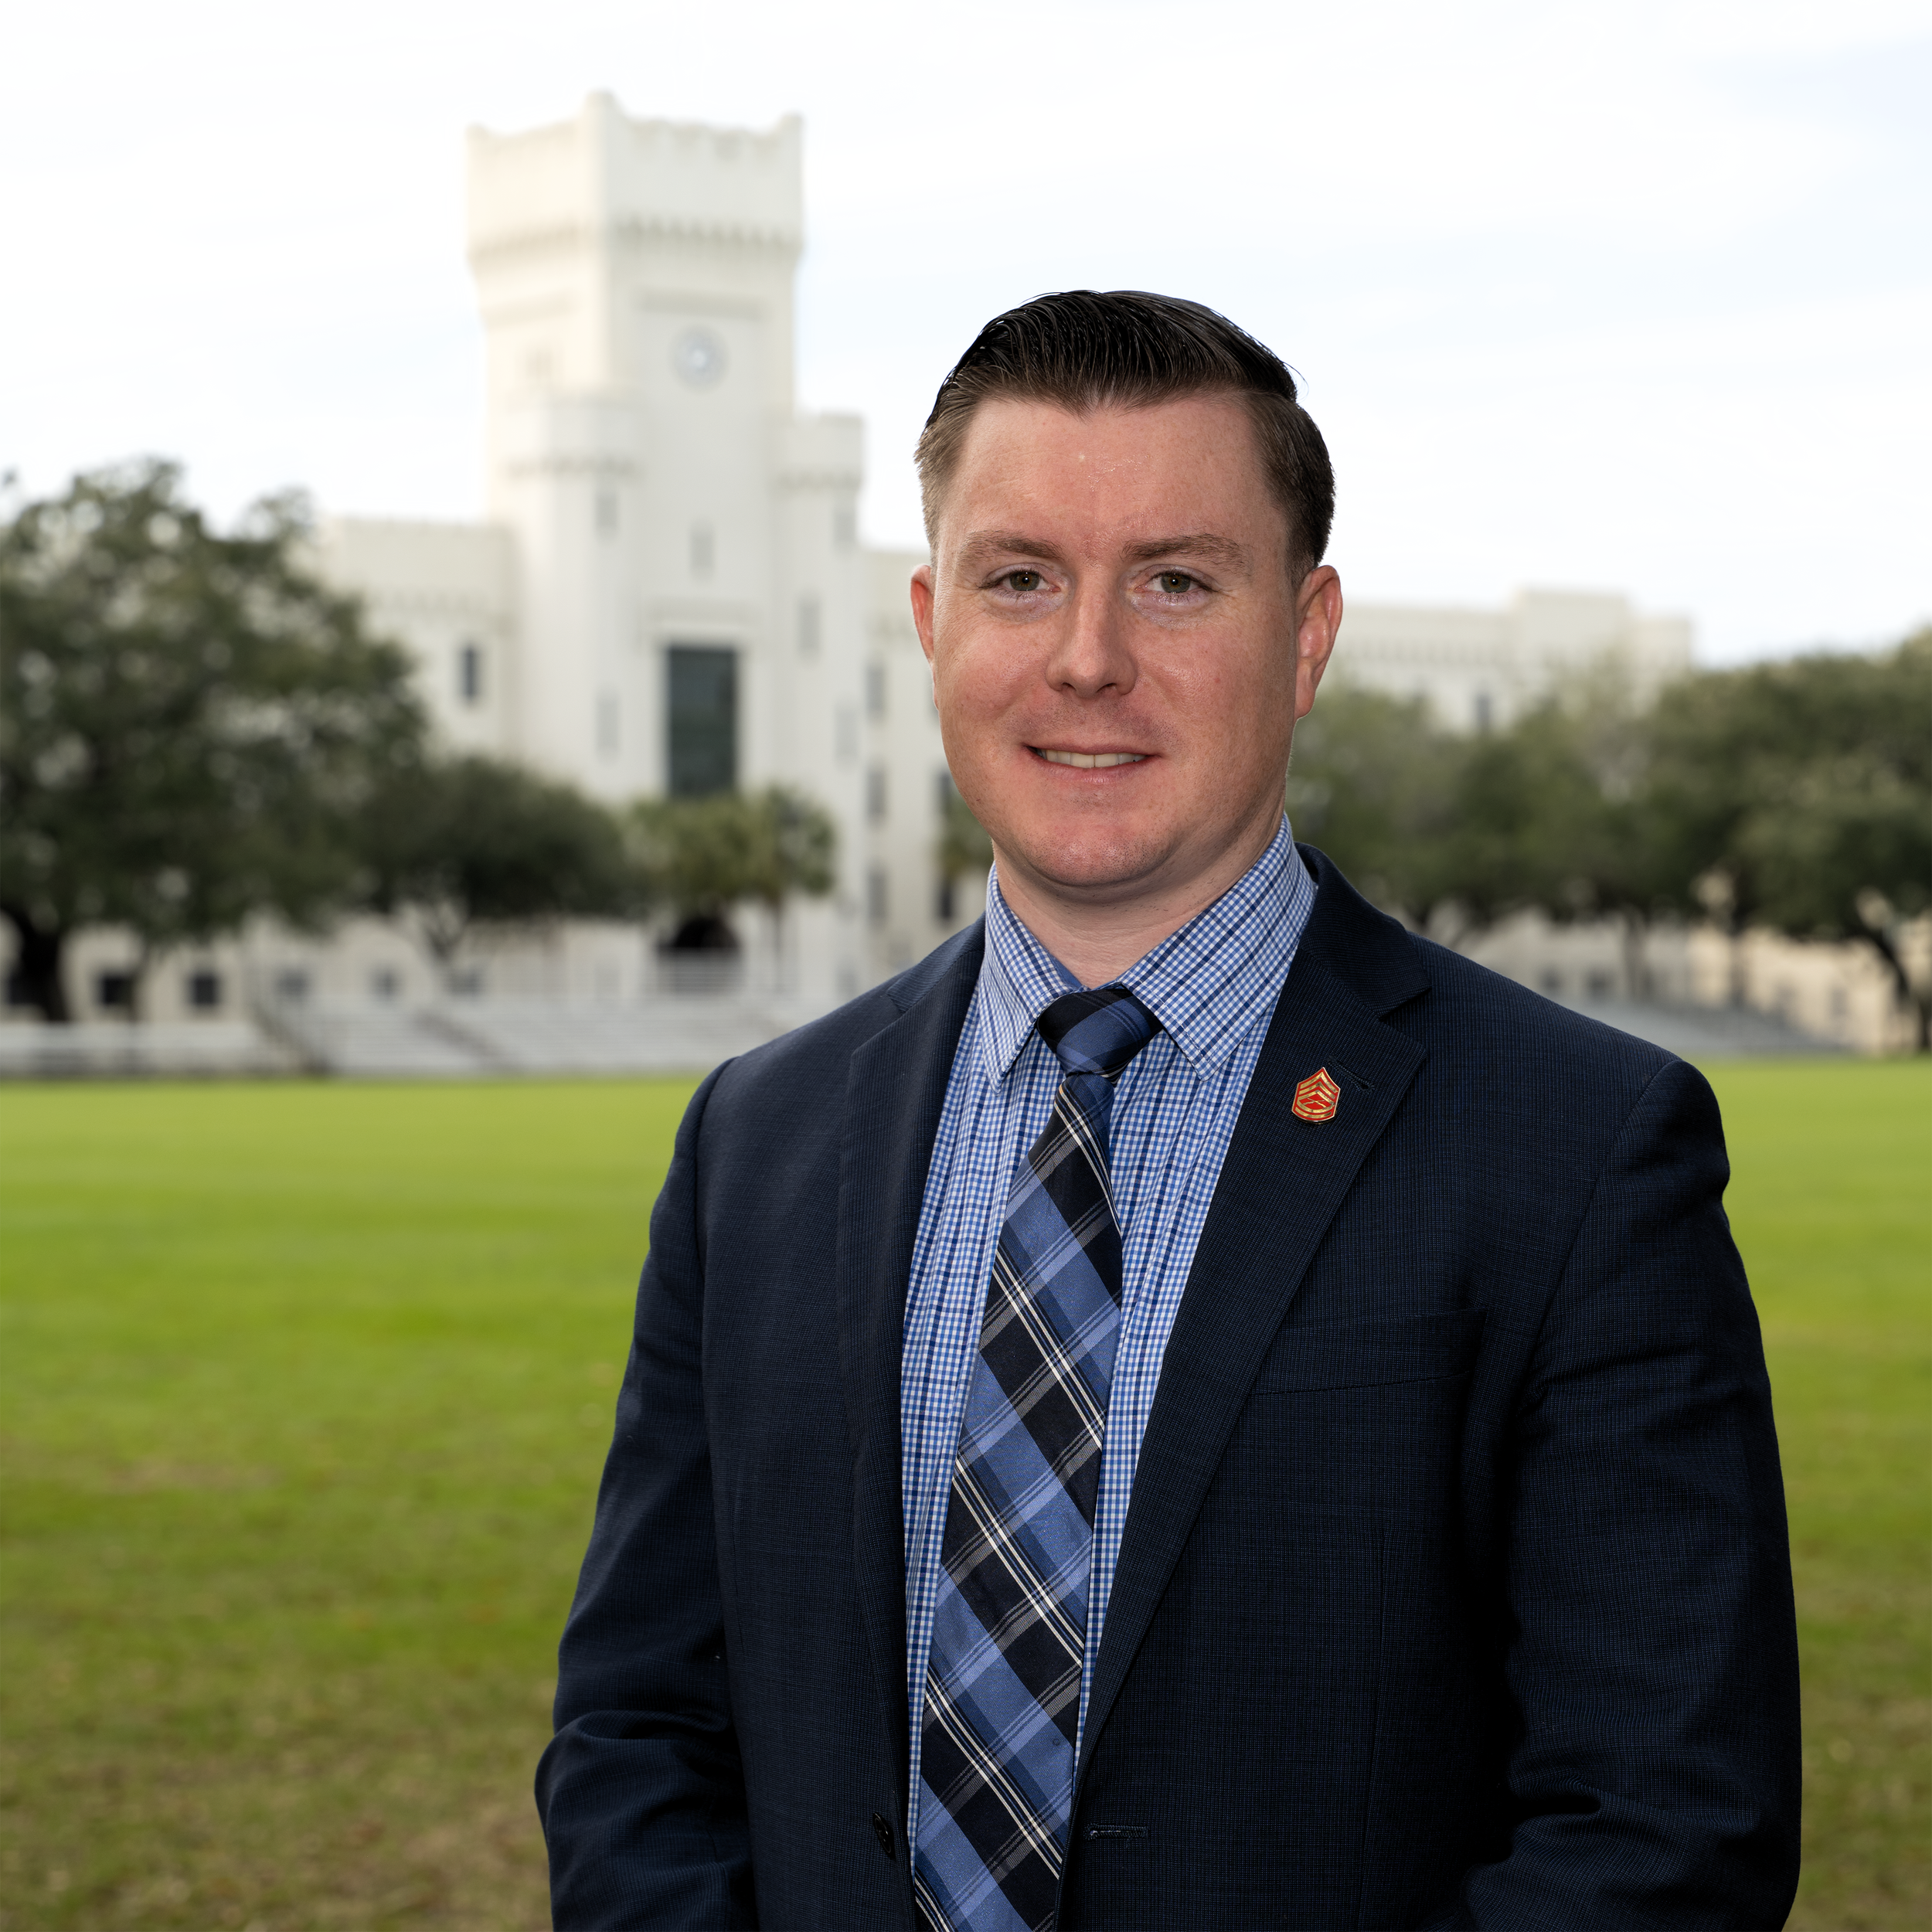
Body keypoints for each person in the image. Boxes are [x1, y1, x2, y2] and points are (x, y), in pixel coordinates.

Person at [536, 291, 1801, 1931]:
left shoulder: (1575, 1147)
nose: (1085, 658)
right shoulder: (758, 1141)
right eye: (1019, 579)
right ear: (928, 619)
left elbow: (1662, 1824)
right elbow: (641, 1734)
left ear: (1305, 629)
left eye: (1176, 581)